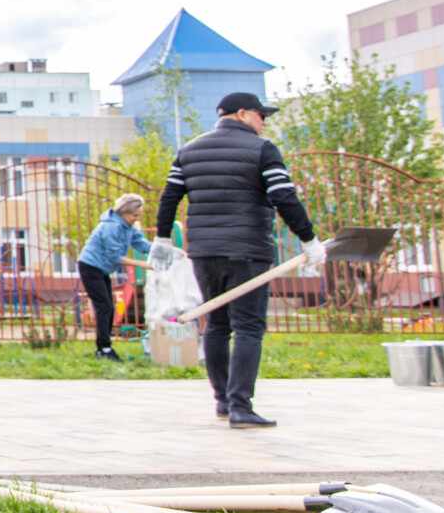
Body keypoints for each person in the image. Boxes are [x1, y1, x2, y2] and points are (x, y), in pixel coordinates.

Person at [150, 92, 324, 429]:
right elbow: (283, 196)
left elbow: (169, 196)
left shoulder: (189, 150)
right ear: (242, 113)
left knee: (216, 324)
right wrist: (309, 239)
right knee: (248, 327)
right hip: (246, 250)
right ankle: (242, 407)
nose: (264, 122)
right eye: (261, 115)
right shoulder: (262, 149)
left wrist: (162, 237)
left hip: (204, 253)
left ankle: (225, 403)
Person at [75, 193, 151, 361]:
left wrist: (166, 251)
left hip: (101, 269)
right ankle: (104, 349)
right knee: (105, 307)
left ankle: (104, 348)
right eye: (134, 215)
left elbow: (141, 244)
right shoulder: (112, 227)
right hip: (90, 267)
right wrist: (143, 264)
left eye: (139, 215)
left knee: (108, 307)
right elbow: (115, 257)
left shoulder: (127, 226)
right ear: (124, 212)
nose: (137, 219)